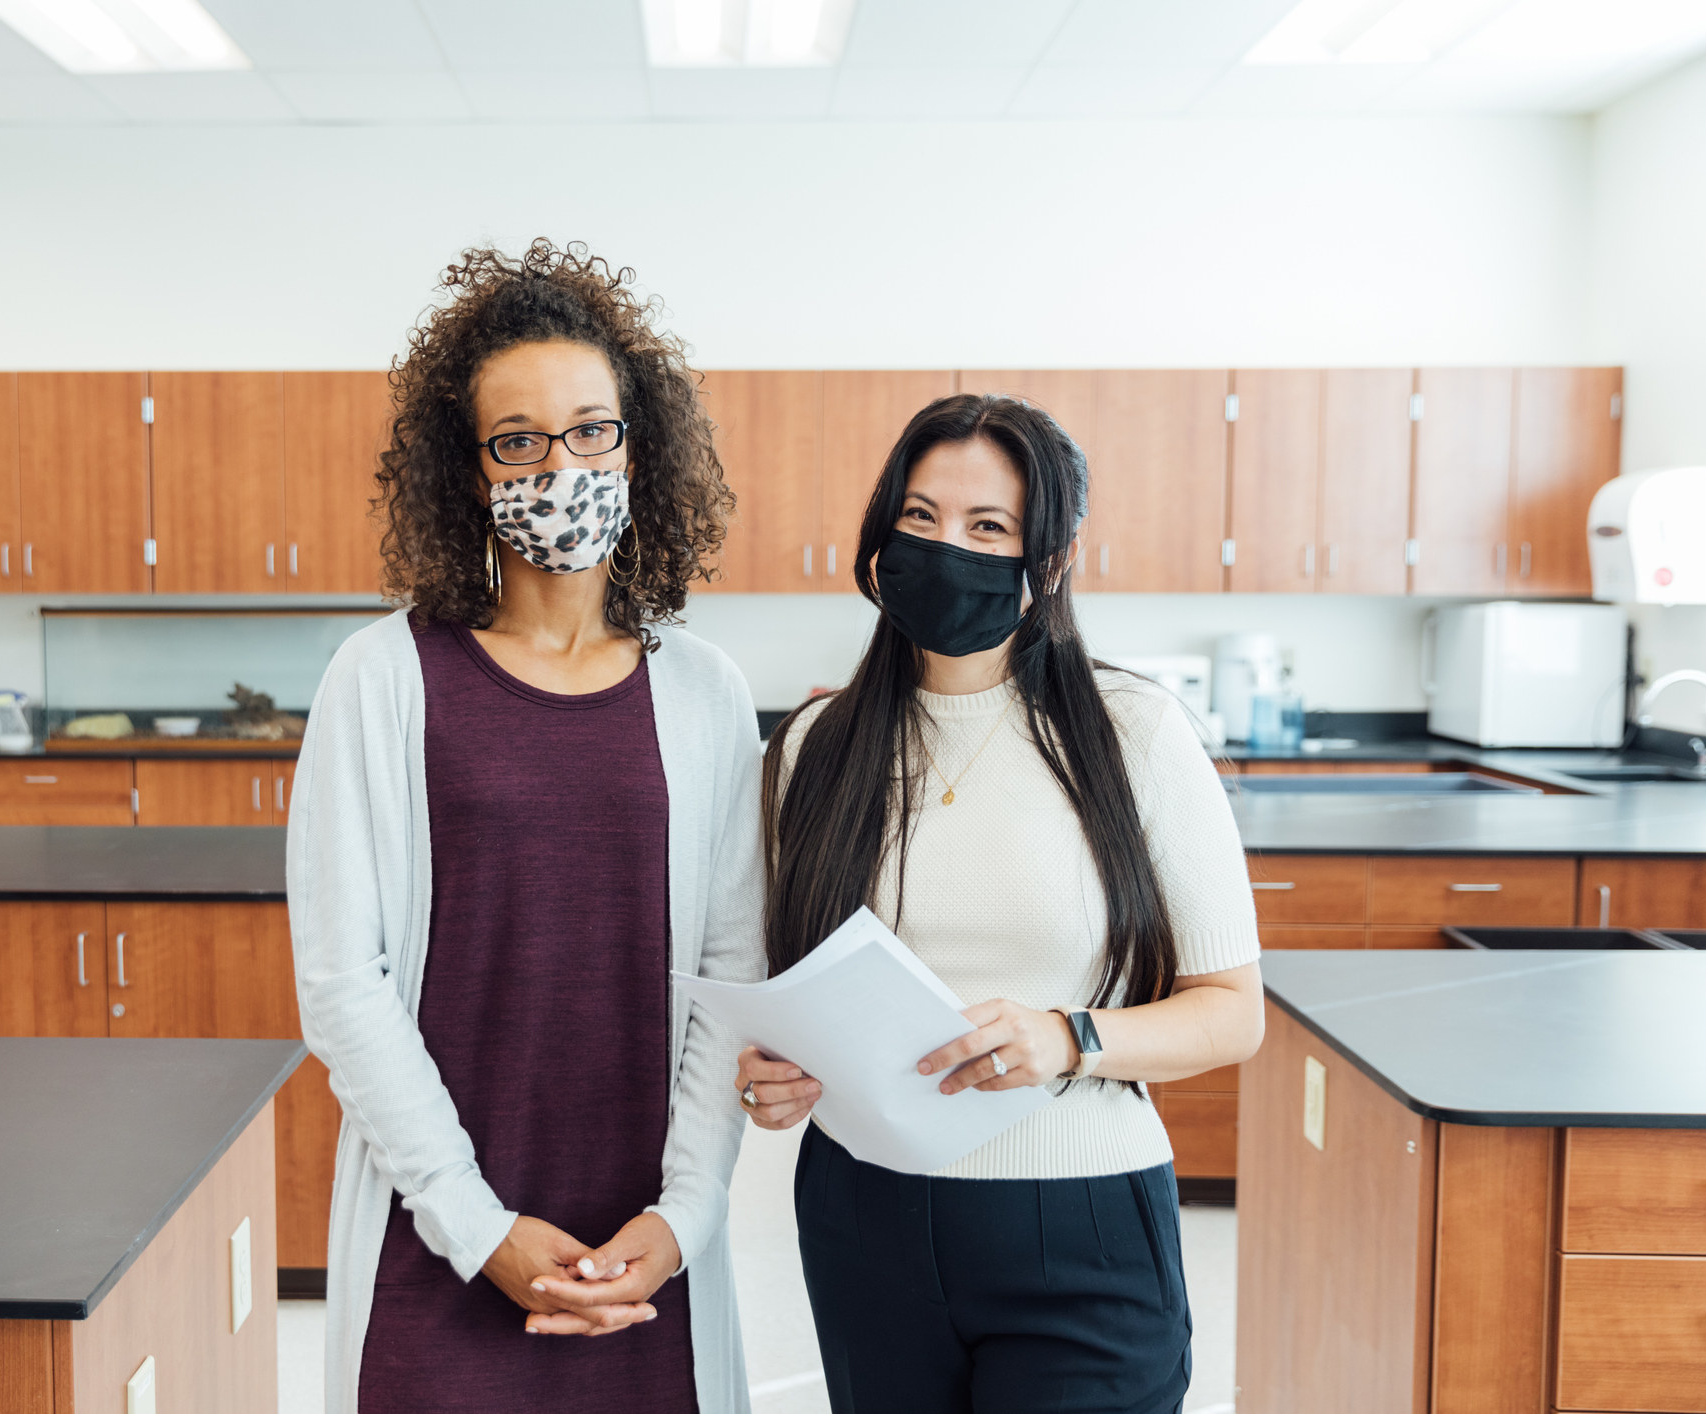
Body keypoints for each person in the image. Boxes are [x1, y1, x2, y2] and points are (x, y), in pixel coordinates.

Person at [287, 241, 765, 1414]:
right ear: (471, 471)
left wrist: (684, 1214)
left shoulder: (704, 693)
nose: (563, 467)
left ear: (637, 446)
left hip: (639, 1259)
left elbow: (729, 975)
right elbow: (344, 985)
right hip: (438, 1244)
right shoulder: (384, 677)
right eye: (520, 440)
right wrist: (476, 1223)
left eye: (591, 430)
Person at [736, 393, 1264, 1414]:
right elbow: (781, 991)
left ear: (1049, 562)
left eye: (989, 529)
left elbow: (1232, 1010)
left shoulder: (1135, 734)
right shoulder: (815, 748)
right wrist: (761, 1075)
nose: (946, 548)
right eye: (921, 517)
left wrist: (1067, 1037)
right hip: (861, 1210)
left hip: (1081, 1220)